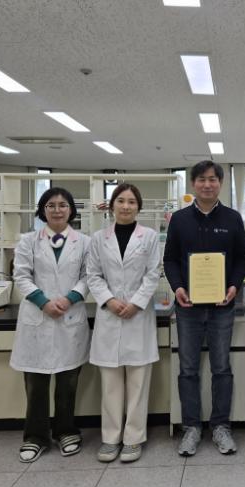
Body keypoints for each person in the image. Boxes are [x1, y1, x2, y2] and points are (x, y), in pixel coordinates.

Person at [163, 160, 245, 456]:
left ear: (220, 183)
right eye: (201, 179)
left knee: (221, 368)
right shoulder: (179, 219)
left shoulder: (232, 218)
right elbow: (170, 259)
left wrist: (234, 285)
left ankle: (221, 426)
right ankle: (191, 427)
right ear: (193, 184)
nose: (207, 184)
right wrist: (178, 287)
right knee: (188, 369)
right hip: (187, 307)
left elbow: (242, 258)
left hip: (222, 306)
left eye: (213, 179)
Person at [11, 187, 91, 463]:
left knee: (68, 381)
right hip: (38, 317)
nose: (57, 210)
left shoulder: (84, 242)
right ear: (42, 210)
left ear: (71, 210)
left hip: (70, 316)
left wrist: (69, 299)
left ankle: (66, 431)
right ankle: (35, 437)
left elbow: (89, 276)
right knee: (36, 383)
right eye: (51, 205)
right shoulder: (28, 241)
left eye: (63, 205)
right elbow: (21, 276)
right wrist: (43, 302)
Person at [87, 183, 161, 463]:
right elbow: (93, 275)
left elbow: (153, 274)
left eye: (131, 201)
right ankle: (110, 438)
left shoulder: (149, 236)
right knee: (110, 384)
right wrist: (109, 300)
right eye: (121, 201)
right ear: (112, 205)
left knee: (138, 383)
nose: (126, 206)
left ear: (138, 207)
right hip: (110, 314)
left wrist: (136, 303)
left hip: (138, 315)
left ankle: (133, 439)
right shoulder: (98, 238)